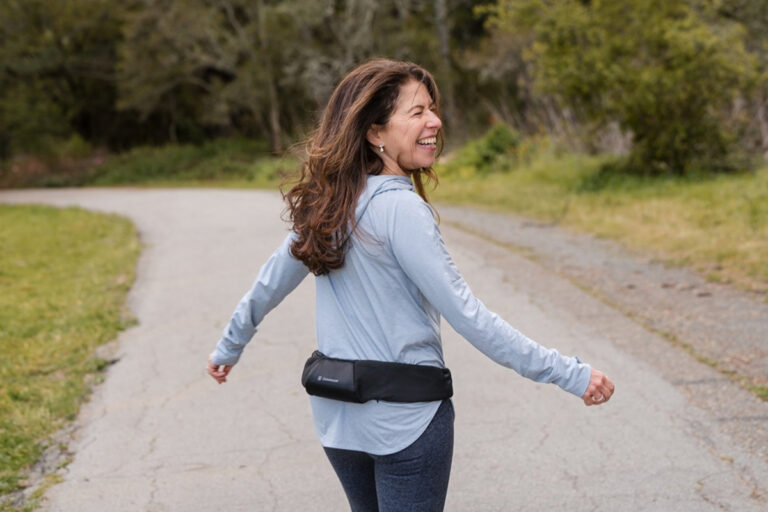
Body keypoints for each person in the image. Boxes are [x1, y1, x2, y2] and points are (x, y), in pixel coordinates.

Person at [207, 58, 614, 512]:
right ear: (375, 133)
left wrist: (228, 346)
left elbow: (267, 286)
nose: (435, 121)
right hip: (408, 421)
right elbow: (469, 316)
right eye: (417, 111)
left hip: (339, 420)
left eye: (433, 108)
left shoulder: (328, 207)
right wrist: (568, 373)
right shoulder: (402, 210)